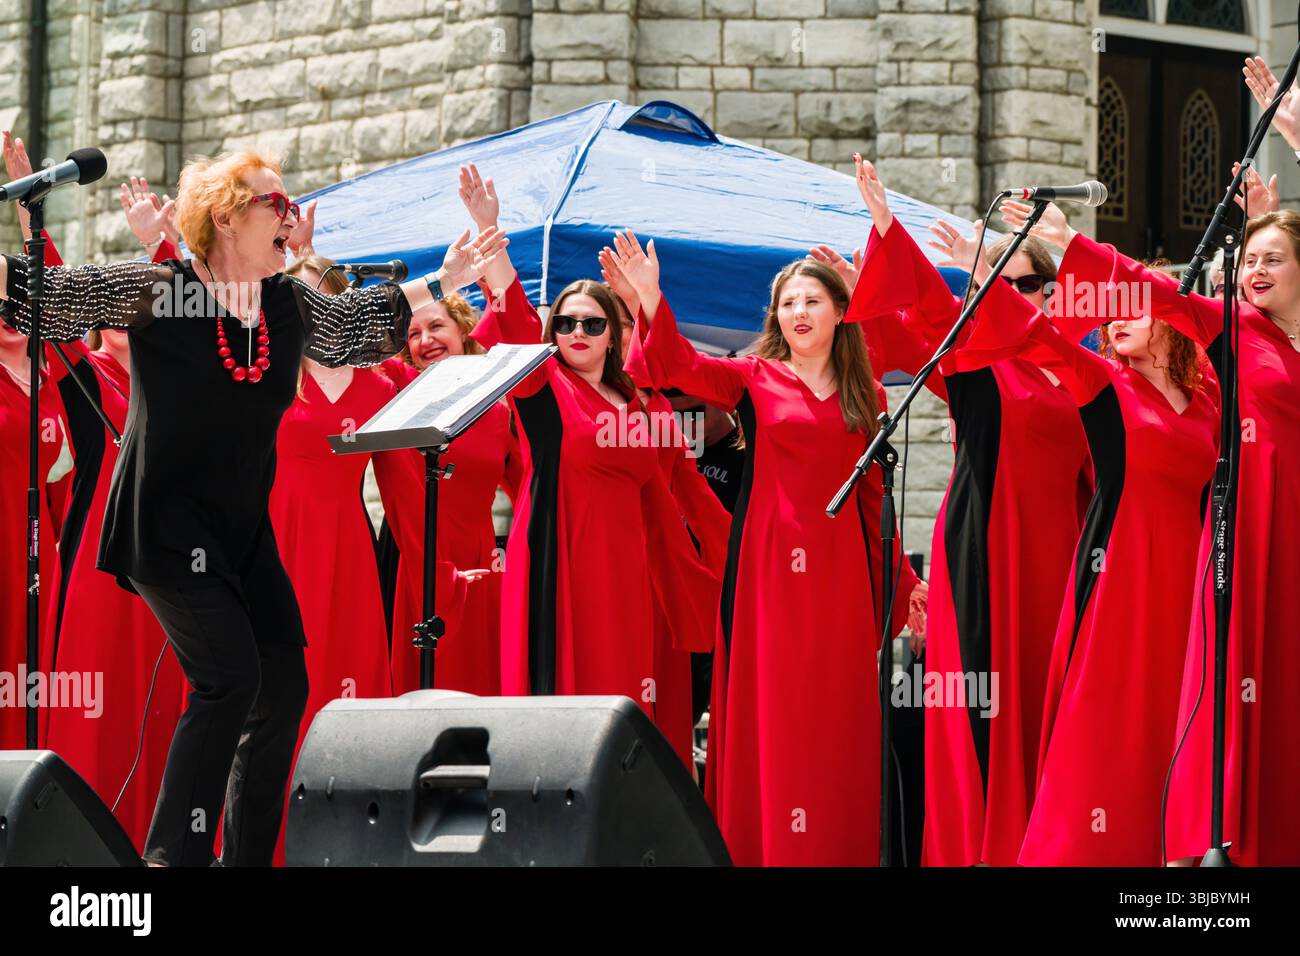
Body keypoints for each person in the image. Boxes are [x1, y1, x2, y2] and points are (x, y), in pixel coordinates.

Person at [0, 147, 508, 866]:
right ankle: (172, 858)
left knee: (283, 688)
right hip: (167, 528)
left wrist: (444, 281)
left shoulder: (285, 303)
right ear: (228, 218)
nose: (292, 215)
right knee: (228, 679)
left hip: (241, 533)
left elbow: (350, 325)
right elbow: (58, 292)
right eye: (277, 203)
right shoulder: (160, 289)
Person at [611, 228, 924, 865]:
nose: (799, 312)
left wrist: (901, 585)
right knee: (777, 713)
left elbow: (872, 506)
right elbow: (674, 368)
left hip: (840, 578)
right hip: (769, 574)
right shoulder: (754, 377)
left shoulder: (869, 398)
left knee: (836, 718)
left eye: (812, 300)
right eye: (788, 303)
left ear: (841, 312)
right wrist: (650, 301)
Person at [848, 156, 1093, 866]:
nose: (1017, 296)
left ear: (1054, 293)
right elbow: (922, 312)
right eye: (998, 284)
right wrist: (889, 230)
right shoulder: (973, 361)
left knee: (1048, 707)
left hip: (1063, 556)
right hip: (983, 550)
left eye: (1029, 285)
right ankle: (980, 849)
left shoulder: (1084, 368)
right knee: (980, 704)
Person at [978, 199, 1218, 865]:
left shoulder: (1211, 400)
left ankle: (1170, 853)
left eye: (1131, 303)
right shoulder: (1103, 379)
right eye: (1109, 309)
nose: (1116, 316)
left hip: (1189, 584)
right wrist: (982, 277)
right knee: (1106, 719)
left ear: (1170, 315)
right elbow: (1036, 336)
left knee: (1177, 721)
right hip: (1120, 579)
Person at [376, 163, 521, 697]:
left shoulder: (497, 405)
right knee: (415, 688)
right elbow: (340, 337)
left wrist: (528, 557)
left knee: (477, 682)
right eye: (413, 333)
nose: (426, 339)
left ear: (464, 329)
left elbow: (529, 487)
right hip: (410, 556)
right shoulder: (396, 389)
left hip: (481, 560)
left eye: (437, 325)